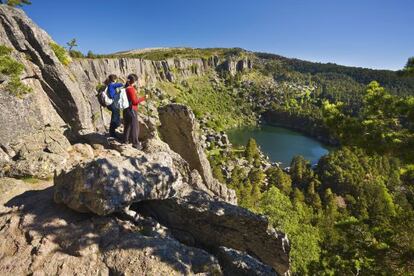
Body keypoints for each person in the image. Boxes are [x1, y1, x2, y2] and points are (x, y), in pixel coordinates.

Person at [123, 73, 147, 149]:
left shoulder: (125, 88)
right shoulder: (131, 89)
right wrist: (144, 98)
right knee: (135, 127)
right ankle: (136, 143)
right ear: (134, 81)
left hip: (126, 109)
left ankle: (125, 140)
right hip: (132, 109)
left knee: (127, 125)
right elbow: (135, 102)